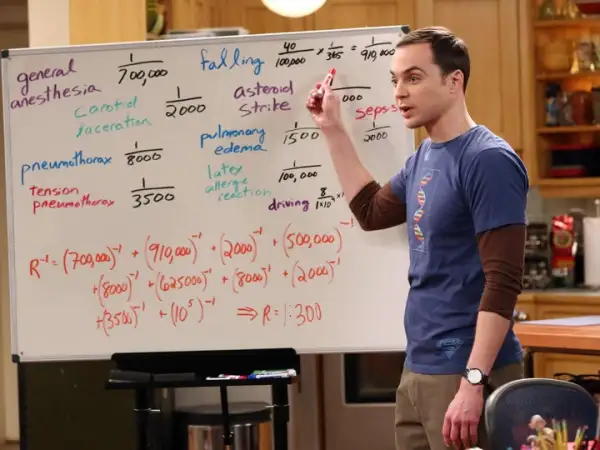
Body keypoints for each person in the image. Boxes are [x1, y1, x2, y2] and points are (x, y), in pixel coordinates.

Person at [306, 26, 528, 450]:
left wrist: (473, 382)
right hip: (418, 369)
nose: (399, 92)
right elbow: (371, 212)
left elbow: (503, 283)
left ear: (454, 81)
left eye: (413, 77)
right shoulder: (424, 156)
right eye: (395, 80)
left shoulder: (488, 160)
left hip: (465, 373)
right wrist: (332, 128)